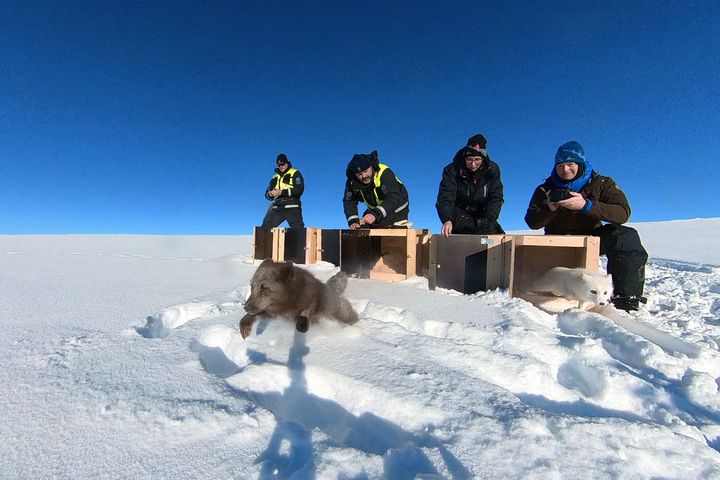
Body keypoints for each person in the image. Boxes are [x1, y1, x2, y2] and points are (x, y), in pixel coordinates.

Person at [524, 141, 648, 311]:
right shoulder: (545, 189)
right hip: (556, 241)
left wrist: (587, 206)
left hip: (591, 237)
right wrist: (549, 210)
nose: (565, 169)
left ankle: (625, 298)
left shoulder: (602, 183)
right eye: (560, 165)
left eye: (570, 164)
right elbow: (532, 222)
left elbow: (623, 213)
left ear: (580, 163)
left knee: (626, 237)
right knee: (535, 272)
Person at [436, 133, 505, 236]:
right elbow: (445, 197)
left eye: (477, 159)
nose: (473, 164)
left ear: (483, 158)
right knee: (466, 227)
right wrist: (447, 219)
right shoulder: (452, 170)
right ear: (464, 158)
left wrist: (490, 217)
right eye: (469, 160)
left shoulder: (492, 170)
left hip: (483, 212)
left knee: (491, 230)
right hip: (459, 211)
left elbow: (496, 196)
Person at [343, 150, 410, 228]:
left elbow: (393, 197)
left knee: (388, 228)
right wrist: (353, 221)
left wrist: (375, 214)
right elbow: (349, 201)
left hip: (397, 206)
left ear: (371, 167)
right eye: (360, 174)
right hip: (376, 208)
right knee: (364, 228)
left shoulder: (384, 172)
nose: (364, 176)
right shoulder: (352, 182)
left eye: (365, 171)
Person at [261, 153, 305, 228]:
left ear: (287, 163)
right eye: (279, 165)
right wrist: (270, 194)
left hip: (292, 204)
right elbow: (266, 193)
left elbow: (299, 189)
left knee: (298, 232)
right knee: (264, 229)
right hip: (277, 206)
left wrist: (281, 192)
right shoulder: (275, 177)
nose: (281, 166)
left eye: (283, 164)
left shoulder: (295, 173)